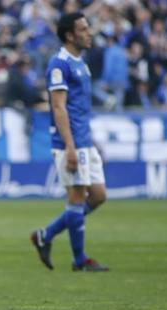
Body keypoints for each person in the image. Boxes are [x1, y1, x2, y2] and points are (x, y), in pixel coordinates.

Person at [30, 12, 109, 272]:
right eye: (84, 29)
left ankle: (46, 234)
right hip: (70, 143)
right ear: (70, 35)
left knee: (97, 196)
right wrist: (70, 147)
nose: (89, 33)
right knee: (76, 198)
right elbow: (59, 107)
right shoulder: (59, 64)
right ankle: (80, 260)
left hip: (84, 140)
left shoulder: (81, 63)